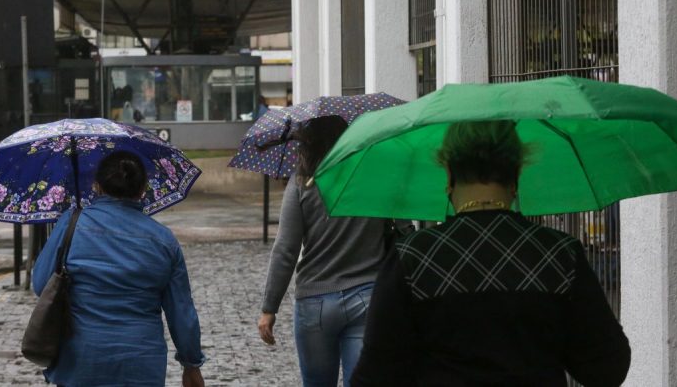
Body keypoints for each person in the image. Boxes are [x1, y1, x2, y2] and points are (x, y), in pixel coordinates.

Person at [351, 120, 631, 387]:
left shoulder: (413, 258)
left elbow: (376, 375)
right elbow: (607, 367)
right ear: (516, 174)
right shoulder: (559, 254)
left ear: (448, 175)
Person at [257, 115, 413, 387]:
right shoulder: (374, 179)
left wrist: (269, 308)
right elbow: (404, 230)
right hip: (367, 294)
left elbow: (286, 249)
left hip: (315, 302)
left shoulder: (302, 183)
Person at [33, 151, 206, 387]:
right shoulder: (164, 241)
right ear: (143, 189)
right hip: (140, 365)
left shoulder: (70, 224)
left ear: (97, 186)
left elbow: (41, 284)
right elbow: (181, 312)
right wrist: (191, 364)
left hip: (80, 361)